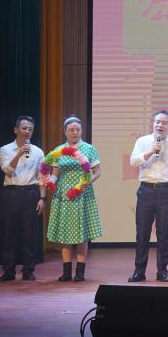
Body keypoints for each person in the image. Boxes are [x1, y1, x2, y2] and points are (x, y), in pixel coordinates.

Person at [128, 110, 168, 282]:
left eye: (164, 122)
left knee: (164, 233)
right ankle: (139, 271)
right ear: (153, 123)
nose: (160, 125)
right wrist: (151, 151)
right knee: (142, 232)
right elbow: (133, 162)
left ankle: (162, 271)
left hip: (167, 191)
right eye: (157, 122)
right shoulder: (142, 141)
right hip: (146, 190)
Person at [46, 116, 102, 282]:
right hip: (64, 195)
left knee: (82, 234)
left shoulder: (89, 149)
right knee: (65, 233)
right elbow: (55, 174)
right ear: (65, 132)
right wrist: (50, 181)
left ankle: (80, 272)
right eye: (71, 130)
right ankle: (66, 272)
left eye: (78, 129)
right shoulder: (59, 150)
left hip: (83, 194)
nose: (75, 132)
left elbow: (97, 172)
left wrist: (85, 183)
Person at [0, 116, 45, 281]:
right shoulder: (5, 149)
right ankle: (8, 271)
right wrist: (18, 154)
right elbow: (7, 170)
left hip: (31, 194)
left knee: (29, 234)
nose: (27, 132)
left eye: (30, 129)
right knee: (8, 234)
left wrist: (42, 198)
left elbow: (42, 177)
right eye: (24, 128)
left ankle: (28, 270)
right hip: (11, 193)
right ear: (16, 130)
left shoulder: (38, 152)